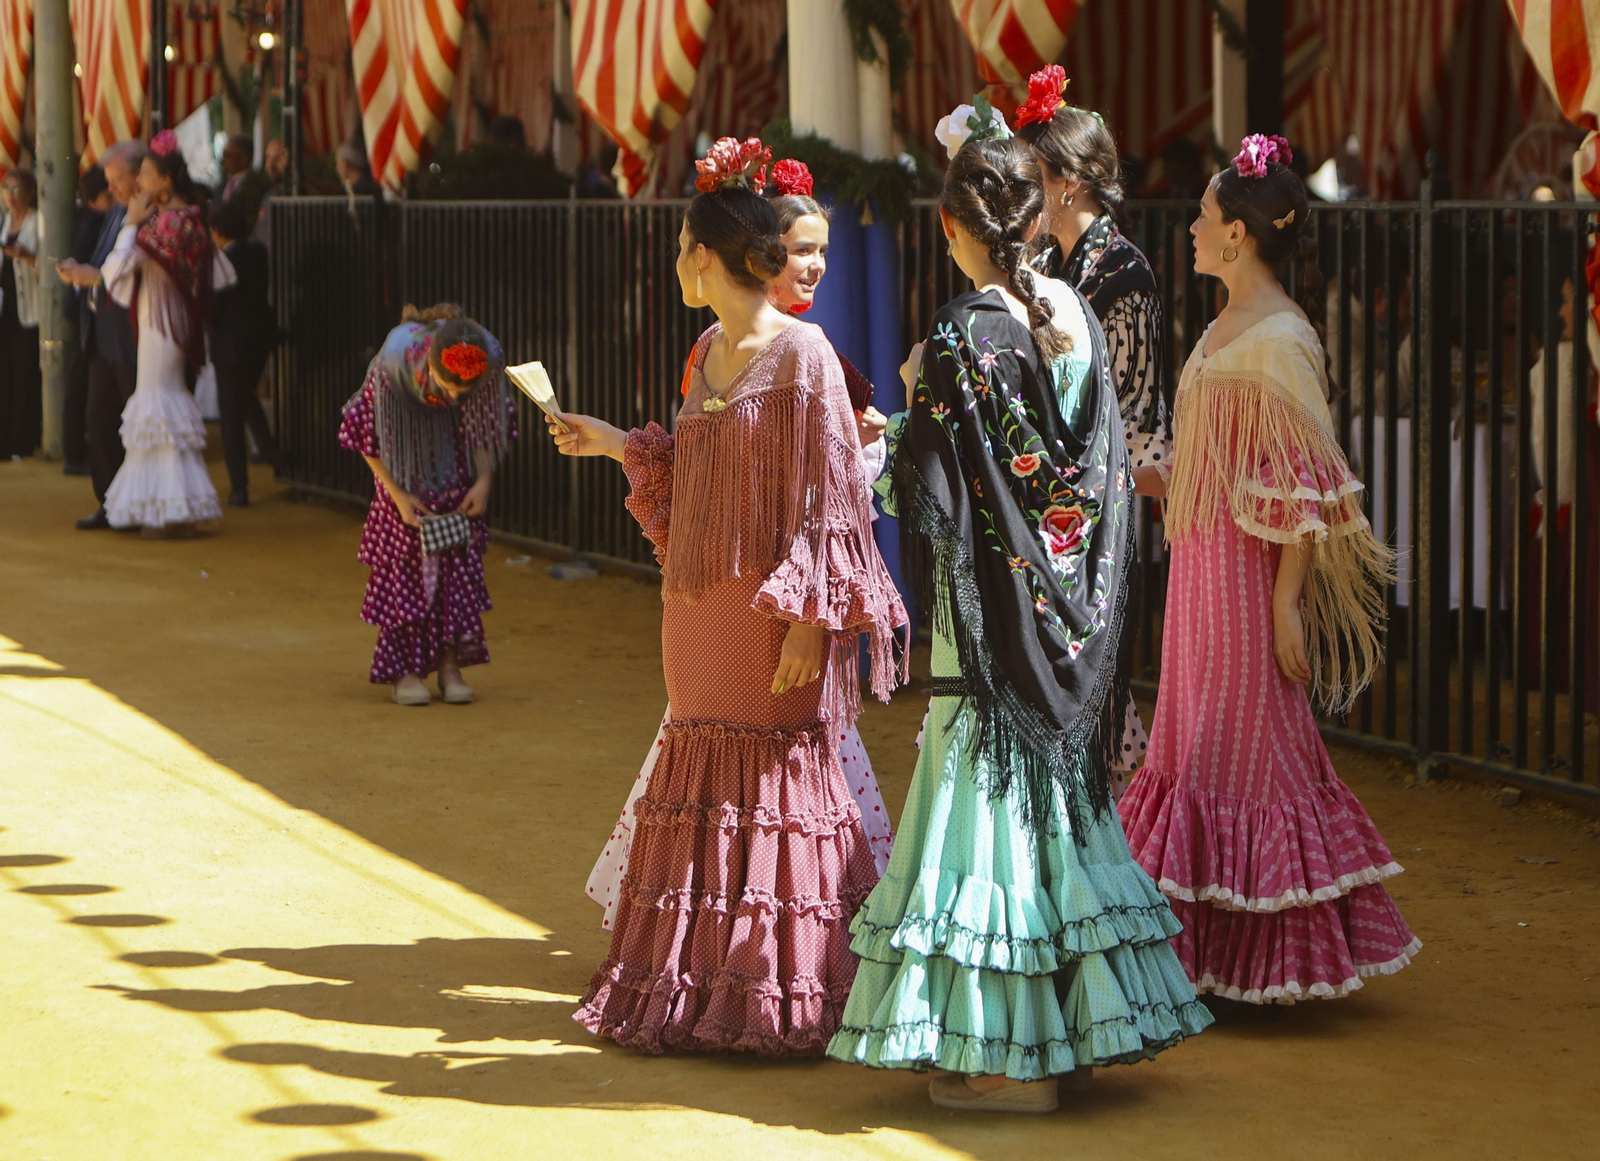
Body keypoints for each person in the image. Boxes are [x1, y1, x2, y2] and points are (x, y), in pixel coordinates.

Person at [826, 119, 1209, 1114]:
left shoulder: (961, 332)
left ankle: (1004, 1061)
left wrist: (906, 411)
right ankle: (1067, 1037)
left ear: (951, 222)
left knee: (984, 816)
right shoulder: (1073, 313)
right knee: (1053, 817)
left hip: (990, 626)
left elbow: (937, 492)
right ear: (1032, 215)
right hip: (1067, 616)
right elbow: (1089, 469)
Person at [550, 136, 907, 1055]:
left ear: (708, 257)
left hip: (769, 622)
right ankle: (695, 987)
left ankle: (780, 994)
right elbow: (692, 472)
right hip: (698, 610)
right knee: (699, 772)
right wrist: (604, 441)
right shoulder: (707, 347)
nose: (677, 262)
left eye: (681, 248)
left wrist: (809, 621)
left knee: (777, 782)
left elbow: (835, 501)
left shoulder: (807, 355)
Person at [1117, 135, 1420, 1006]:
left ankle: (1263, 957)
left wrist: (1288, 601)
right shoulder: (1223, 326)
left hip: (1244, 587)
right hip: (1200, 570)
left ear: (1239, 236)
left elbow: (1309, 489)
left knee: (1242, 755)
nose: (1191, 231)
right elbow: (1227, 459)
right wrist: (1158, 474)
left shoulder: (1284, 338)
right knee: (1194, 747)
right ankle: (1206, 958)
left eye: (1203, 218)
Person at [1016, 65, 1172, 793]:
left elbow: (1139, 424)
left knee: (1096, 684)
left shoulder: (1124, 277)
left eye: (1031, 178)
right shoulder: (1043, 261)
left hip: (1107, 512)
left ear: (1067, 183)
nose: (1021, 194)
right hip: (1047, 505)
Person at [336, 303, 515, 706]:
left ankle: (450, 666)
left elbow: (490, 422)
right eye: (445, 386)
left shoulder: (485, 360)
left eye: (463, 393)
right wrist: (397, 496)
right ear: (429, 366)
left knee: (456, 568)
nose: (453, 397)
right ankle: (406, 671)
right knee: (405, 571)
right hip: (400, 479)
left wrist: (484, 480)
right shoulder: (393, 364)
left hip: (453, 470)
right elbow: (365, 434)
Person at [99, 130, 231, 538]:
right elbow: (221, 275)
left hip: (161, 320)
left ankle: (166, 509)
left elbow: (116, 270)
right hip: (169, 319)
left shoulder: (169, 222)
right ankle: (172, 507)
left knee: (157, 403)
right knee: (163, 402)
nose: (139, 181)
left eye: (145, 173)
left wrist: (131, 224)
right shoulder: (189, 218)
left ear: (165, 180)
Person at [57, 140, 145, 530]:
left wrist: (93, 275)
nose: (111, 188)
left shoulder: (148, 214)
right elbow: (103, 265)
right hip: (101, 334)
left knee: (133, 425)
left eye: (117, 179)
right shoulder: (116, 213)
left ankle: (137, 504)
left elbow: (129, 272)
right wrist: (84, 272)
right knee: (99, 420)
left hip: (130, 337)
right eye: (108, 180)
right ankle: (110, 503)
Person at [207, 200, 280, 507]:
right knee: (246, 396)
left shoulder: (222, 263)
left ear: (216, 232)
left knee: (231, 417)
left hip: (230, 347)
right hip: (259, 340)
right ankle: (268, 448)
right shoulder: (257, 252)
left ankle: (239, 487)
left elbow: (214, 309)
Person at [60, 166, 113, 476]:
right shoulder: (93, 223)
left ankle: (74, 449)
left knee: (78, 378)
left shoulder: (87, 220)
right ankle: (74, 451)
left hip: (80, 306)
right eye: (108, 195)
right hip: (85, 309)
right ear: (94, 199)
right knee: (79, 379)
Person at [0, 167, 41, 460]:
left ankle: (24, 440)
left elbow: (51, 265)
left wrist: (27, 256)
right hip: (6, 308)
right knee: (7, 374)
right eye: (6, 189)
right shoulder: (3, 221)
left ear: (29, 193)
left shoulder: (39, 221)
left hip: (30, 307)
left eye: (17, 189)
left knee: (26, 374)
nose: (11, 196)